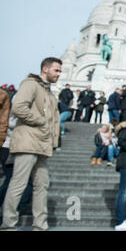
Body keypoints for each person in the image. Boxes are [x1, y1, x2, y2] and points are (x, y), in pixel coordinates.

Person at [1, 57, 61, 231]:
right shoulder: (30, 84)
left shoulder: (49, 93)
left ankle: (40, 225)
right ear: (45, 69)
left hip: (42, 144)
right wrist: (41, 121)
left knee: (42, 185)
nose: (59, 74)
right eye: (56, 70)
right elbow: (18, 107)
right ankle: (8, 225)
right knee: (18, 184)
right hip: (27, 142)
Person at [0, 95, 33, 216]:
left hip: (12, 145)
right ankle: (19, 208)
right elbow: (12, 124)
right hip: (12, 146)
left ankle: (20, 207)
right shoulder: (18, 105)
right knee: (13, 179)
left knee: (14, 179)